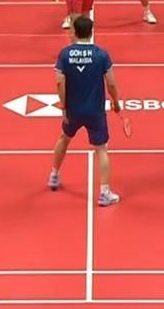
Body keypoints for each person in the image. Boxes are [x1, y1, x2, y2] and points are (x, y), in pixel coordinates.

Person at [48, 15, 122, 206]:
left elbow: (59, 82)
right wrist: (116, 101)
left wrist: (64, 106)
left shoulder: (65, 54)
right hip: (95, 112)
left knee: (64, 138)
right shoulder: (101, 54)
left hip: (73, 110)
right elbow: (111, 83)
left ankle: (54, 175)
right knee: (101, 149)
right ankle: (104, 193)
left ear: (74, 32)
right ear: (91, 32)